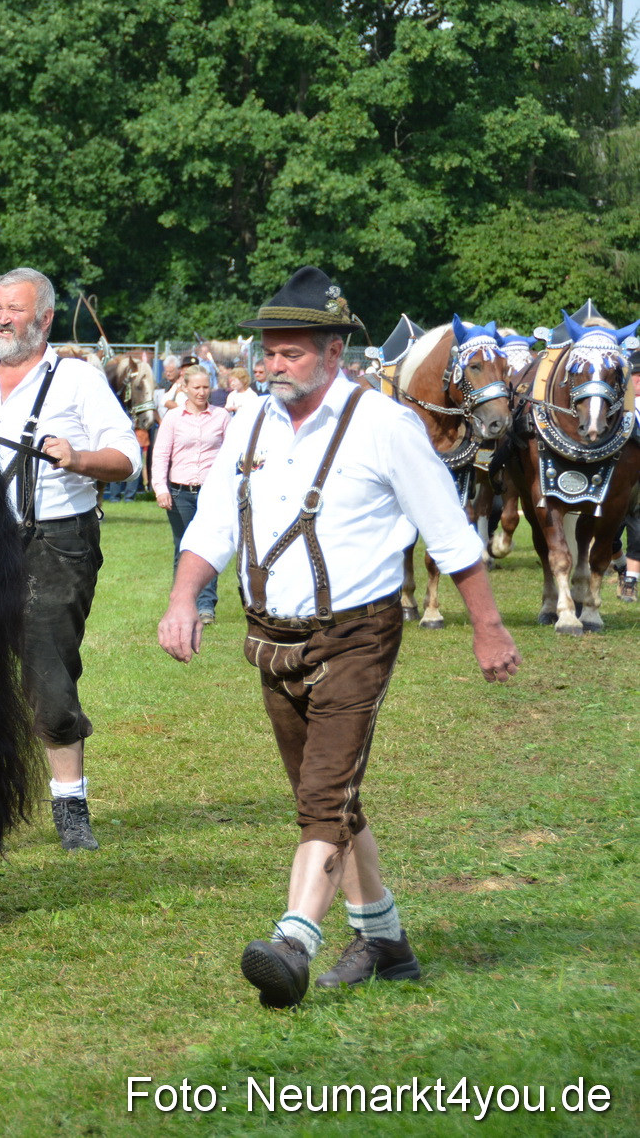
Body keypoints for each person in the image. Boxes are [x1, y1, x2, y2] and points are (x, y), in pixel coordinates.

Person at [156, 266, 520, 1008]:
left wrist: (487, 626)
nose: (272, 364)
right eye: (268, 351)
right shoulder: (250, 420)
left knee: (322, 793)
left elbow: (450, 535)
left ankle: (295, 940)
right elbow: (217, 520)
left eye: (290, 351)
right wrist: (182, 597)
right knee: (330, 794)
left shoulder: (384, 424)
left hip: (359, 632)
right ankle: (385, 940)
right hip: (271, 636)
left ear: (332, 351)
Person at [0, 267, 140, 852]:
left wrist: (77, 458)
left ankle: (70, 804)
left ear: (44, 319)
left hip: (56, 542)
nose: (0, 318)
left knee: (46, 677)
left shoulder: (76, 379)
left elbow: (127, 459)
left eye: (14, 309)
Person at [152, 365, 231, 624]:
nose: (201, 392)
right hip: (179, 494)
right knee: (183, 547)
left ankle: (206, 605)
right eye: (196, 387)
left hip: (211, 493)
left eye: (205, 387)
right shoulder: (174, 418)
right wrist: (161, 489)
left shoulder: (221, 417)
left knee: (208, 548)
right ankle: (182, 602)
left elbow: (231, 456)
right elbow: (161, 455)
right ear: (184, 387)